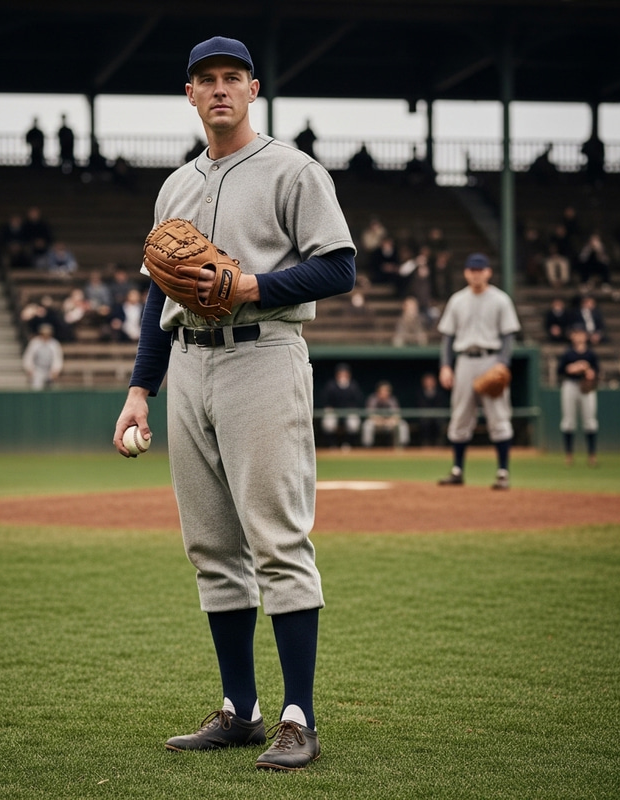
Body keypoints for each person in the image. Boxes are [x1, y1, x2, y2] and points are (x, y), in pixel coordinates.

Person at [113, 36, 356, 772]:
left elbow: (339, 266)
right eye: (204, 80)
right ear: (189, 95)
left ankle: (297, 716)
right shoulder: (175, 187)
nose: (218, 89)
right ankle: (241, 709)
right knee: (212, 547)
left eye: (231, 78)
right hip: (187, 364)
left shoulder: (293, 170)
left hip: (263, 355)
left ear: (253, 90)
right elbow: (161, 289)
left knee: (277, 541)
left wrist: (253, 285)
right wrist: (138, 391)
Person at [436, 253, 521, 490]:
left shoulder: (501, 299)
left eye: (480, 269)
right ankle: (457, 470)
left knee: (499, 417)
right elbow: (447, 337)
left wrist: (502, 363)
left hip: (491, 360)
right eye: (472, 270)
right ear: (466, 272)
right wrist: (445, 366)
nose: (476, 273)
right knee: (460, 415)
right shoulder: (457, 300)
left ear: (488, 272)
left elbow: (508, 336)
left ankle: (503, 472)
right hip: (464, 361)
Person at [557, 324, 600, 467]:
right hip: (570, 385)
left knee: (590, 421)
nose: (579, 336)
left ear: (586, 336)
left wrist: (589, 371)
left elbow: (596, 371)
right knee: (568, 421)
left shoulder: (591, 354)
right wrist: (573, 368)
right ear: (572, 336)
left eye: (581, 333)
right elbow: (560, 370)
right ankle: (569, 455)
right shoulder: (568, 353)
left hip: (586, 387)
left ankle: (592, 456)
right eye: (576, 333)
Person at [318, 363, 363, 449]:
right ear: (337, 375)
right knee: (328, 423)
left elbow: (358, 401)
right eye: (341, 373)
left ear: (348, 374)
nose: (343, 376)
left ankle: (348, 444)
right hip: (334, 411)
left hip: (348, 412)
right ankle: (332, 445)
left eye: (345, 373)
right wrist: (329, 407)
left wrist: (352, 408)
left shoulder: (353, 386)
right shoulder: (331, 385)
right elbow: (325, 400)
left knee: (353, 423)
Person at [361, 380, 410, 448]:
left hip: (389, 423)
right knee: (367, 424)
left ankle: (402, 446)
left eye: (386, 391)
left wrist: (390, 420)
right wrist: (379, 420)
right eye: (383, 390)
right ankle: (367, 447)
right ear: (378, 391)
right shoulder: (373, 399)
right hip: (377, 423)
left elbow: (397, 414)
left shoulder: (392, 400)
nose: (385, 392)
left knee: (402, 424)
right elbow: (370, 415)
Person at [22, 323, 63, 389]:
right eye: (44, 334)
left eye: (47, 334)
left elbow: (57, 358)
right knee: (36, 387)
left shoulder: (54, 344)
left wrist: (56, 370)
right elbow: (29, 356)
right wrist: (29, 368)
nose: (45, 336)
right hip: (37, 369)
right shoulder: (34, 343)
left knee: (53, 388)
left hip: (50, 369)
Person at [415, 372, 448, 447]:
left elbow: (441, 405)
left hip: (437, 415)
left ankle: (439, 444)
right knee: (424, 423)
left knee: (439, 422)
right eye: (427, 381)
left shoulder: (440, 392)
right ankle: (425, 443)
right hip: (425, 415)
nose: (429, 383)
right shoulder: (420, 392)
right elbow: (420, 405)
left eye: (431, 381)